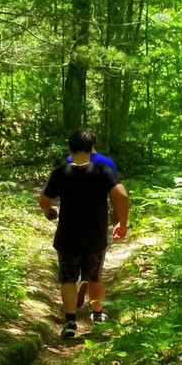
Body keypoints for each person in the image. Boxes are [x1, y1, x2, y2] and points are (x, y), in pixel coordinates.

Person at [39, 128, 129, 338]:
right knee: (94, 277)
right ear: (92, 148)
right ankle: (98, 315)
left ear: (70, 148)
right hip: (95, 235)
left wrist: (50, 212)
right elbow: (122, 196)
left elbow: (44, 200)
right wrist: (121, 223)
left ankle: (70, 323)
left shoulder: (61, 172)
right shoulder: (102, 171)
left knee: (68, 279)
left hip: (67, 235)